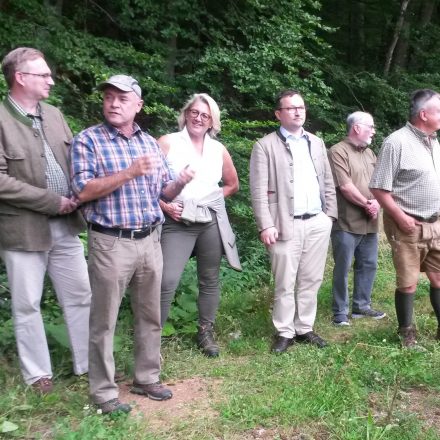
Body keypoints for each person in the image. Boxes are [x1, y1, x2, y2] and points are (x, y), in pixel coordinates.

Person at [70, 74, 194, 414]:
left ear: (138, 106)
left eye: (122, 98)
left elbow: (163, 192)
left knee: (150, 315)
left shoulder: (150, 143)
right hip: (111, 242)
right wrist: (128, 172)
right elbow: (82, 191)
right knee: (104, 320)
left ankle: (146, 377)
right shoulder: (88, 140)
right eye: (109, 97)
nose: (113, 103)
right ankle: (104, 393)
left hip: (150, 239)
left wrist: (180, 182)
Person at [0, 47, 91, 393]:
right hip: (22, 229)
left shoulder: (54, 114)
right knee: (26, 304)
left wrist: (86, 192)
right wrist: (52, 201)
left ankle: (89, 363)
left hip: (66, 226)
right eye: (44, 75)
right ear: (21, 78)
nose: (51, 80)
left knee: (81, 293)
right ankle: (38, 375)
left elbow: (75, 161)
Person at [249, 89, 337, 354]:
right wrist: (265, 224)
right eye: (291, 108)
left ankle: (305, 328)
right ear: (279, 114)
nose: (298, 112)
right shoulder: (264, 146)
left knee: (311, 279)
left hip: (317, 222)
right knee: (285, 281)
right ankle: (284, 331)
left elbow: (328, 182)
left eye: (301, 107)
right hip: (284, 225)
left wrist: (329, 216)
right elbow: (257, 189)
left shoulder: (316, 142)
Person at [158, 93, 241, 357]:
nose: (198, 118)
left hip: (209, 221)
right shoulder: (168, 142)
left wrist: (212, 199)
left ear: (212, 122)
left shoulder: (218, 150)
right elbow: (146, 185)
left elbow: (232, 185)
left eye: (205, 115)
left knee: (210, 279)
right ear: (185, 114)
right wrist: (164, 206)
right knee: (165, 280)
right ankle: (152, 336)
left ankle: (205, 332)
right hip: (176, 219)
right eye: (194, 112)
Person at [370, 89, 440, 349]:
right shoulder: (396, 142)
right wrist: (400, 217)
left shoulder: (434, 142)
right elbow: (378, 187)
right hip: (407, 224)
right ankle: (406, 335)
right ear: (424, 114)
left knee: (438, 277)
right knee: (408, 282)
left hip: (436, 223)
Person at [328, 112, 386, 326]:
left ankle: (362, 307)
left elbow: (381, 182)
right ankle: (340, 312)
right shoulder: (337, 151)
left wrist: (377, 203)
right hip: (346, 222)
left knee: (368, 264)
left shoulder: (370, 153)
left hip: (370, 222)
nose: (374, 130)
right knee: (342, 268)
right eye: (370, 126)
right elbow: (345, 186)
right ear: (356, 128)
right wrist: (368, 204)